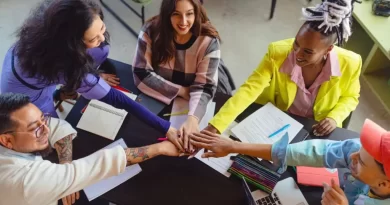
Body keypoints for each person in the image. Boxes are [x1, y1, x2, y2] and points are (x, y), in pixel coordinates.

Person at [0, 0, 182, 149]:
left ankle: (64, 91)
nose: (102, 38)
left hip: (33, 70)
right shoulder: (64, 66)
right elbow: (118, 99)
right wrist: (166, 127)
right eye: (92, 38)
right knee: (49, 137)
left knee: (100, 51)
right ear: (72, 46)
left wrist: (90, 78)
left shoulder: (49, 25)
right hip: (28, 96)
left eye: (101, 28)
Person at [206, 0, 361, 137]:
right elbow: (249, 89)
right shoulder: (277, 52)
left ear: (328, 50)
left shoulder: (351, 63)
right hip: (277, 122)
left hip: (315, 130)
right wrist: (216, 125)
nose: (297, 54)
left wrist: (334, 117)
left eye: (308, 52)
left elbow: (350, 97)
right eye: (296, 44)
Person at [0, 93, 182, 205]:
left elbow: (58, 126)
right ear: (7, 140)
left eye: (43, 119)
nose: (45, 129)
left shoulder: (11, 137)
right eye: (35, 128)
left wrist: (66, 165)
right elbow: (99, 164)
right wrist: (161, 148)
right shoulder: (23, 181)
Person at [190, 119, 390, 205]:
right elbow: (313, 152)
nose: (352, 157)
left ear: (383, 184)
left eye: (360, 162)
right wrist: (233, 147)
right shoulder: (360, 152)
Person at [132, 0, 221, 152]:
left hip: (186, 94)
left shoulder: (209, 40)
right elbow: (140, 74)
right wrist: (182, 91)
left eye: (189, 14)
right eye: (176, 14)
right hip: (166, 96)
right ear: (167, 13)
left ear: (197, 11)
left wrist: (193, 119)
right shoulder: (151, 30)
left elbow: (205, 86)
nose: (184, 22)